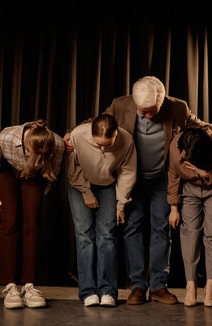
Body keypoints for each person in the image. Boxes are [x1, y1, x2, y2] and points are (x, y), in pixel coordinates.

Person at [63, 76, 212, 305]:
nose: (146, 115)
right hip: (130, 178)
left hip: (161, 178)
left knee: (162, 229)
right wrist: (71, 132)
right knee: (131, 229)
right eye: (142, 111)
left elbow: (200, 125)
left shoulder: (177, 107)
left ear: (162, 101)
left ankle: (158, 285)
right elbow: (97, 121)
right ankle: (137, 286)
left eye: (151, 111)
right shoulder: (120, 104)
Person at [0, 119, 65, 309]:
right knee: (9, 223)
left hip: (36, 175)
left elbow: (54, 171)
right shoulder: (6, 137)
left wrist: (36, 196)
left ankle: (29, 286)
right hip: (7, 172)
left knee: (32, 225)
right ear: (25, 145)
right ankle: (10, 285)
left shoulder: (57, 144)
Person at [66, 114, 137, 307]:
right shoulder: (78, 135)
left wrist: (121, 203)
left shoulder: (126, 140)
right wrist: (86, 192)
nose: (104, 149)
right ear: (91, 133)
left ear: (117, 135)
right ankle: (88, 291)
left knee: (107, 234)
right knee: (84, 235)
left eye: (108, 144)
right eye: (99, 145)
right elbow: (71, 169)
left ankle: (107, 291)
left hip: (108, 185)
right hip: (80, 184)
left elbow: (128, 172)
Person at [167, 127, 212, 307]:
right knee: (190, 235)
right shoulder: (175, 145)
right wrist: (173, 207)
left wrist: (209, 174)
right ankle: (191, 286)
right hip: (189, 191)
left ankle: (210, 286)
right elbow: (173, 176)